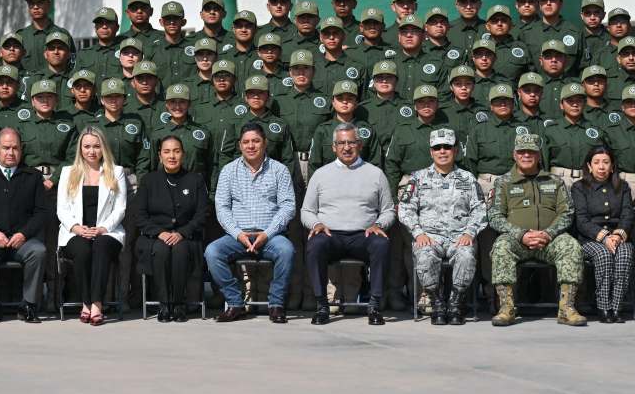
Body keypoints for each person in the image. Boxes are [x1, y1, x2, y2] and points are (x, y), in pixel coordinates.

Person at [301, 123, 396, 326]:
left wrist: (379, 224)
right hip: (330, 235)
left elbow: (388, 210)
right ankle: (322, 306)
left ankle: (374, 306)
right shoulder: (321, 174)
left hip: (363, 235)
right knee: (315, 245)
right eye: (341, 143)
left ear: (359, 145)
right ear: (333, 147)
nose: (346, 147)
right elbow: (306, 210)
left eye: (351, 143)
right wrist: (316, 224)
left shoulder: (375, 174)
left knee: (381, 244)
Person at [487, 133, 586, 327]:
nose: (526, 155)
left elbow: (567, 212)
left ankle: (566, 308)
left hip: (549, 240)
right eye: (521, 152)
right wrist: (522, 234)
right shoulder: (503, 182)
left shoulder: (555, 181)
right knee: (501, 247)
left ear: (539, 155)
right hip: (517, 241)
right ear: (514, 155)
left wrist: (548, 233)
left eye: (531, 152)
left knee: (571, 246)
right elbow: (495, 217)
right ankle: (506, 308)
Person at [208, 122, 296, 323]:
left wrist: (268, 233)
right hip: (238, 236)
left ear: (265, 143)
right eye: (246, 142)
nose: (251, 146)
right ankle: (235, 303)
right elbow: (222, 207)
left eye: (255, 141)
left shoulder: (279, 170)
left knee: (286, 251)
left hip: (271, 235)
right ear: (240, 145)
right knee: (212, 252)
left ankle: (276, 304)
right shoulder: (229, 171)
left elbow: (288, 206)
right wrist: (238, 234)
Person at [397, 128, 485, 325]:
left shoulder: (468, 178)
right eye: (437, 147)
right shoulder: (418, 178)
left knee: (466, 255)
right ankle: (436, 301)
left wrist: (470, 232)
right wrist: (418, 233)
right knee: (425, 255)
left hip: (459, 235)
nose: (442, 151)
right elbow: (405, 208)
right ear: (431, 152)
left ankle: (455, 302)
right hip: (429, 236)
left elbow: (480, 209)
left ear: (455, 150)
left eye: (447, 147)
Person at [0, 128, 52, 323]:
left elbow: (41, 212)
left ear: (21, 150)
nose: (10, 152)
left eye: (15, 148)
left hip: (23, 240)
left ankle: (29, 306)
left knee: (38, 252)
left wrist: (23, 234)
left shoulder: (32, 176)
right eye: (6, 148)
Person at [57, 127, 127, 326]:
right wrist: (76, 228)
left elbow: (120, 208)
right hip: (75, 232)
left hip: (107, 232)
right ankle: (85, 302)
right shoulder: (68, 172)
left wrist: (103, 228)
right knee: (82, 249)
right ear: (80, 148)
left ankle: (96, 304)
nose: (91, 151)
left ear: (103, 148)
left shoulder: (116, 172)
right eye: (87, 146)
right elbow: (61, 208)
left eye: (96, 146)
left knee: (101, 246)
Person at [133, 135, 208, 322]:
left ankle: (179, 304)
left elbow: (202, 214)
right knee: (161, 250)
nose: (172, 156)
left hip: (186, 236)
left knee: (180, 250)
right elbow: (139, 215)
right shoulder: (149, 180)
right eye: (167, 152)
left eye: (176, 151)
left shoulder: (195, 180)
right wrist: (160, 233)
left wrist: (182, 232)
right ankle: (164, 304)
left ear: (183, 154)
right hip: (155, 237)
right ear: (160, 156)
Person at [570, 146, 635, 323]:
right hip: (590, 239)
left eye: (606, 162)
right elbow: (581, 220)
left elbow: (627, 214)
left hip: (618, 236)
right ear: (589, 166)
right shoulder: (579, 187)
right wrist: (604, 237)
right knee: (604, 255)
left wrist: (618, 235)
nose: (601, 167)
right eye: (597, 162)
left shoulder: (622, 186)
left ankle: (617, 307)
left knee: (625, 253)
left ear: (612, 166)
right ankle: (603, 307)